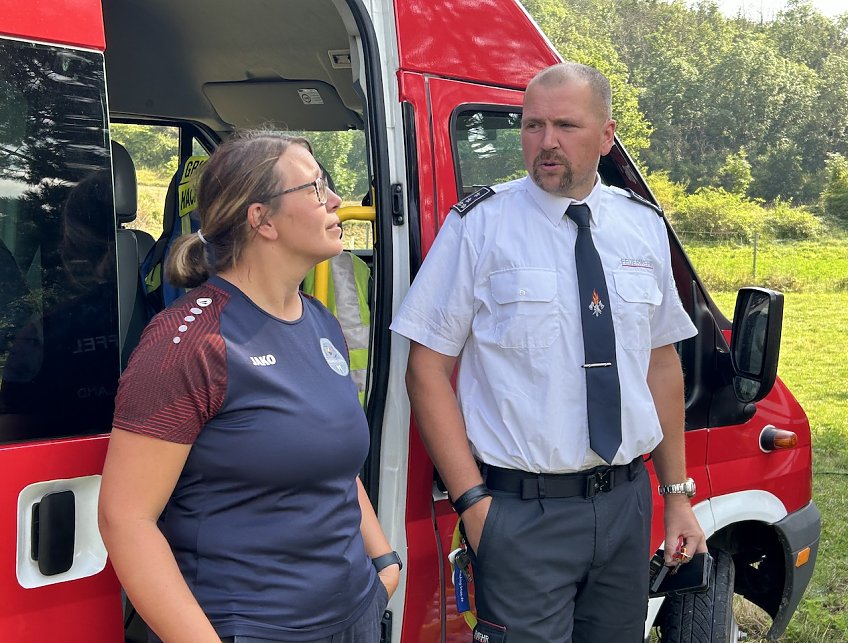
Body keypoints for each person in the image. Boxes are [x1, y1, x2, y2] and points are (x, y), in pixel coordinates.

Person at [390, 62, 706, 642]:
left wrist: (677, 496)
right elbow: (426, 369)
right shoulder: (479, 227)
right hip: (519, 514)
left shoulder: (641, 227)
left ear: (607, 136)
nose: (546, 142)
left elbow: (660, 363)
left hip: (625, 505)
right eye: (532, 126)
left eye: (566, 125)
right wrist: (475, 506)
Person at [98, 131, 399, 643]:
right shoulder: (189, 342)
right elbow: (125, 520)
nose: (335, 202)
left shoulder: (320, 321)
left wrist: (384, 564)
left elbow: (334, 460)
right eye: (314, 188)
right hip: (249, 626)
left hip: (353, 615)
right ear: (261, 219)